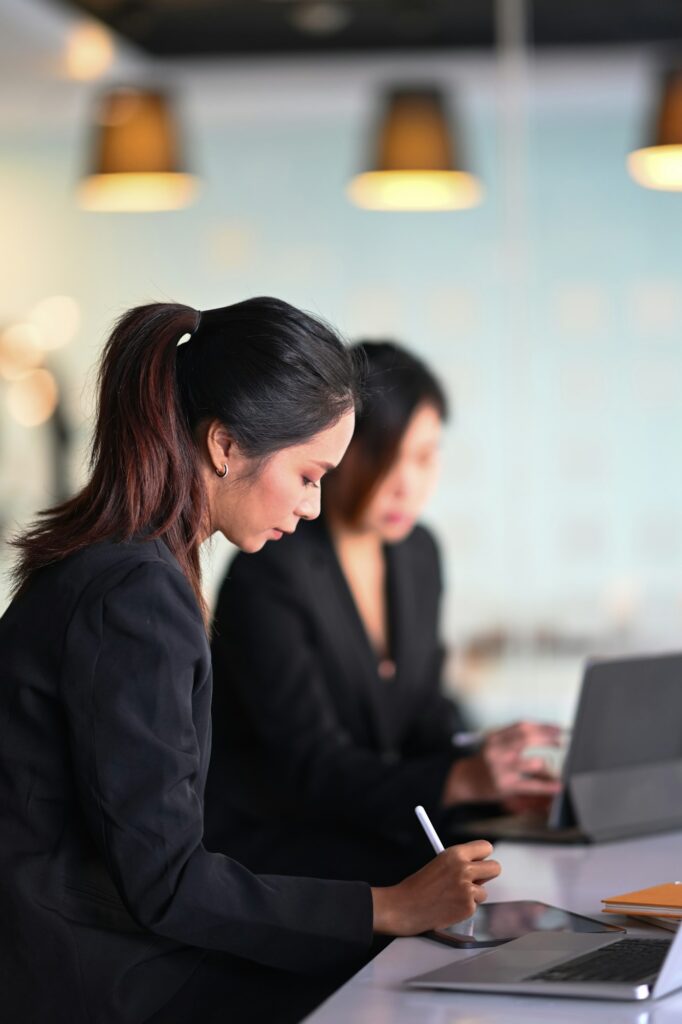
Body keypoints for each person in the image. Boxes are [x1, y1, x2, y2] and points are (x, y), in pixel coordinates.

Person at [0, 302, 501, 1024]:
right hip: (93, 982)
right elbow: (168, 883)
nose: (312, 505)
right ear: (225, 445)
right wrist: (387, 906)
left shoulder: (120, 567)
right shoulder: (136, 595)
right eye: (307, 475)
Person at [205, 341, 561, 887]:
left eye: (423, 457)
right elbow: (310, 768)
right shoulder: (271, 572)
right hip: (283, 850)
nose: (406, 483)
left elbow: (422, 713)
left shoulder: (417, 554)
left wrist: (490, 767)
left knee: (531, 869)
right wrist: (458, 779)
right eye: (384, 456)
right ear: (338, 449)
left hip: (377, 825)